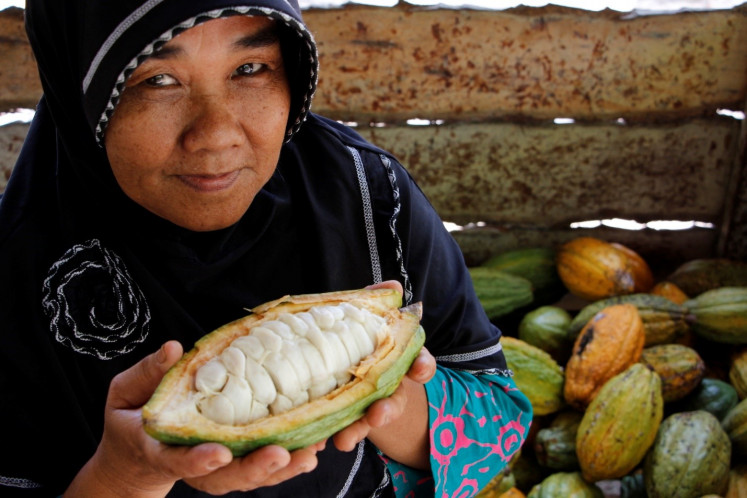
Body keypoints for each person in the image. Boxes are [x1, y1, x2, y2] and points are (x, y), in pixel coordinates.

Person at [0, 0, 532, 496]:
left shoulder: (368, 197)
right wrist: (125, 474)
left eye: (249, 69)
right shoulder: (14, 272)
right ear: (82, 93)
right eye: (158, 79)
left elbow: (501, 428)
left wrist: (382, 396)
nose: (215, 135)